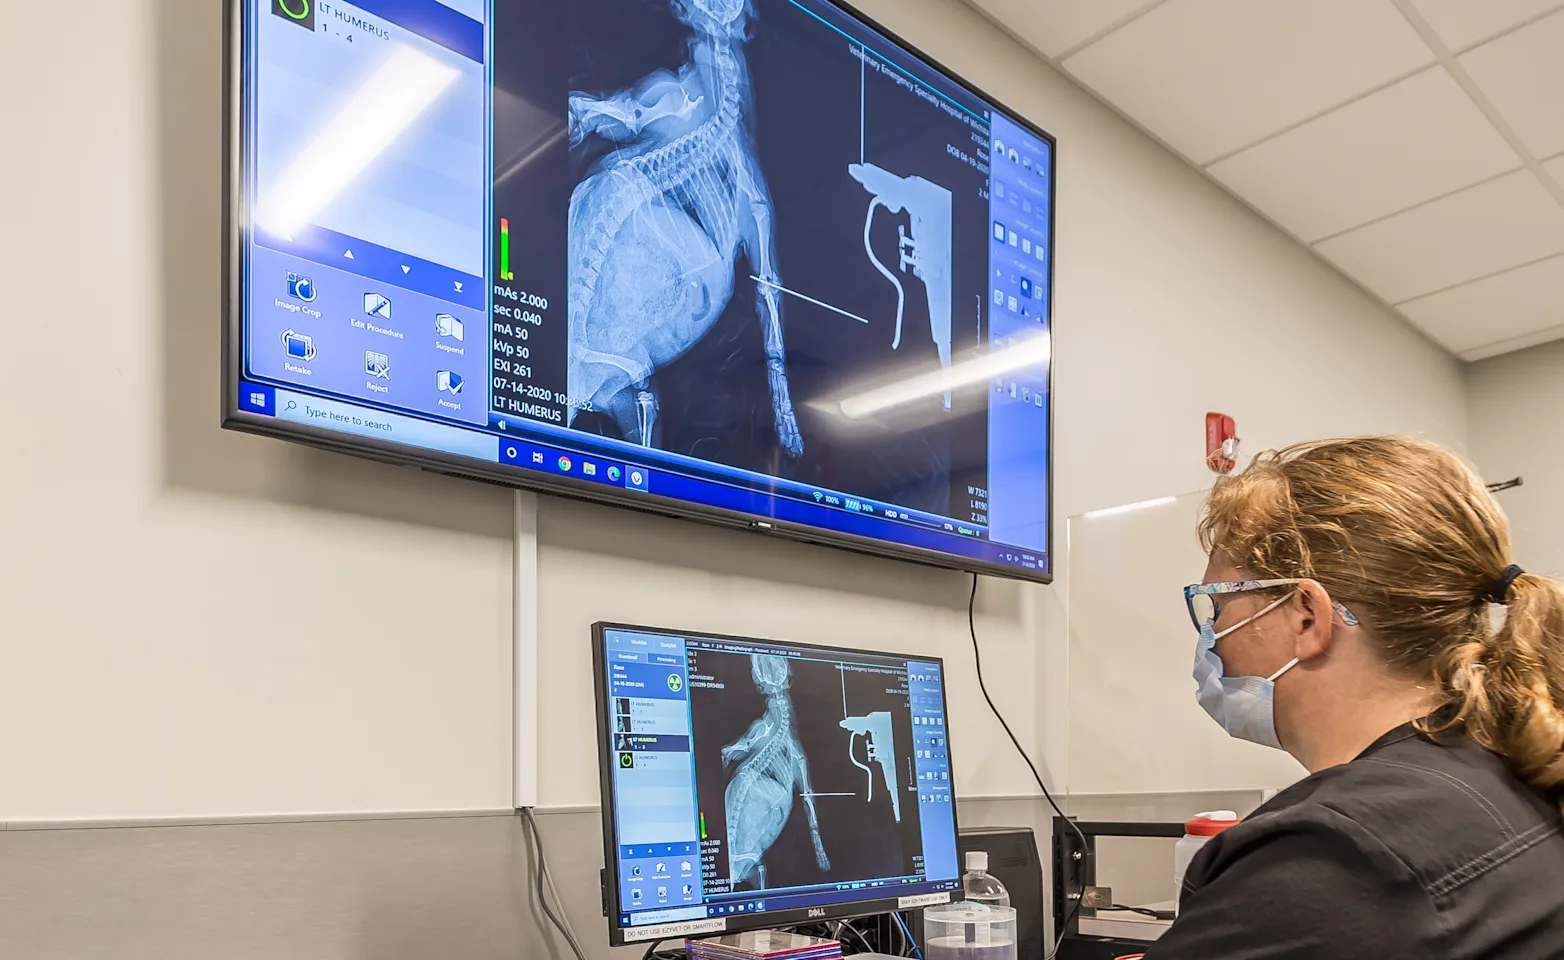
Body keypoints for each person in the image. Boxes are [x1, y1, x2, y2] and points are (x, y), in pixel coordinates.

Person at [1146, 437, 1564, 960]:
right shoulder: (1510, 772)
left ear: (1306, 616)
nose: (1213, 637)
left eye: (1218, 609)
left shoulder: (1334, 856)